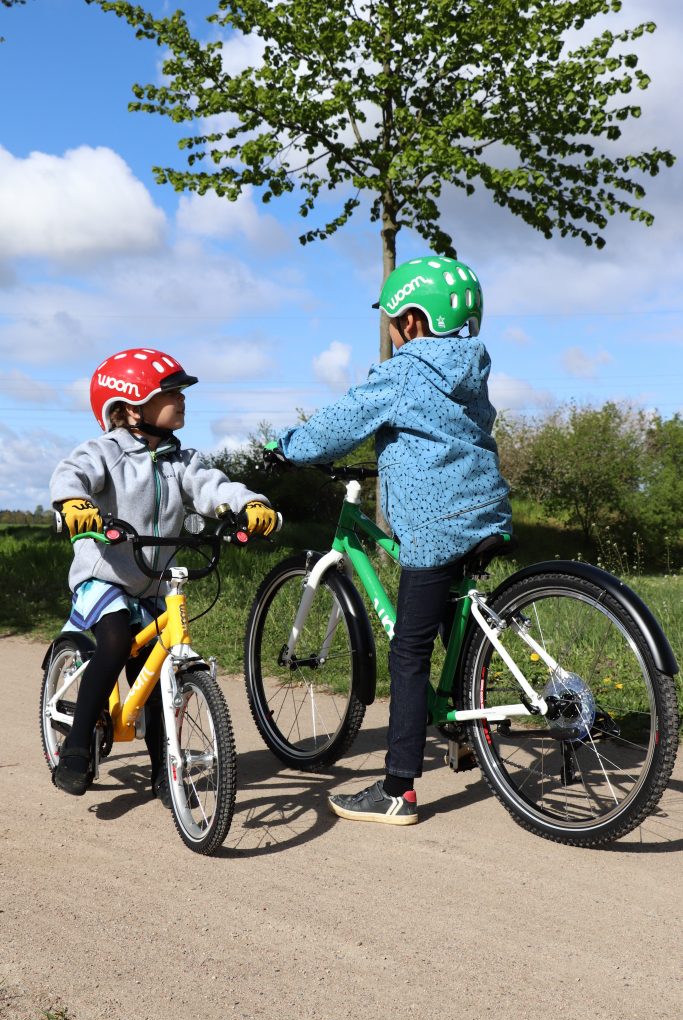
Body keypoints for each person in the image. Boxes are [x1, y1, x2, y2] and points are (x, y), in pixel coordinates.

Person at [273, 256, 512, 825]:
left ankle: (397, 788)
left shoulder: (405, 370)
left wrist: (288, 446)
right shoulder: (472, 368)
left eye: (389, 318)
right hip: (486, 510)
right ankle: (463, 732)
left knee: (409, 649)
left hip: (437, 522)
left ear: (411, 320)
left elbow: (339, 424)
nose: (387, 328)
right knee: (457, 622)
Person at [50, 347, 278, 801]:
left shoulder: (181, 460)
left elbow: (214, 487)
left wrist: (248, 504)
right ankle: (76, 747)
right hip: (106, 577)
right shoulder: (106, 452)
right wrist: (73, 503)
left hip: (155, 583)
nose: (181, 398)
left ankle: (163, 770)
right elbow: (71, 474)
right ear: (131, 407)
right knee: (115, 642)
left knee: (154, 672)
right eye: (170, 392)